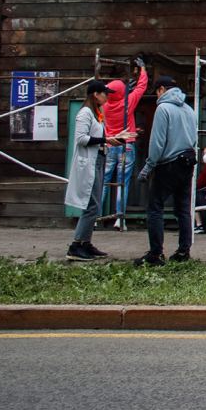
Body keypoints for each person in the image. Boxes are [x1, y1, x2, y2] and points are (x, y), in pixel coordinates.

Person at [134, 76, 198, 266]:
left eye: (156, 92)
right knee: (183, 209)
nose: (156, 96)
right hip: (187, 161)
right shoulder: (189, 109)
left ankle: (156, 253)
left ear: (161, 89)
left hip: (168, 163)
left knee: (155, 207)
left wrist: (148, 166)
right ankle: (183, 251)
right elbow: (194, 139)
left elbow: (157, 142)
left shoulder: (163, 109)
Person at [64, 80, 117, 261]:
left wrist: (111, 138)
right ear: (95, 94)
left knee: (95, 205)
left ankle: (86, 242)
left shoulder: (97, 113)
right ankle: (76, 244)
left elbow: (98, 137)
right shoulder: (85, 113)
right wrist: (105, 140)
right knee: (91, 205)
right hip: (89, 163)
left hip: (99, 159)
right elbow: (81, 138)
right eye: (104, 93)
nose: (107, 96)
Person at [101, 55, 148, 231]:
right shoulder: (128, 104)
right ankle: (119, 219)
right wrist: (143, 69)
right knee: (123, 182)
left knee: (105, 181)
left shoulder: (104, 107)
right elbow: (142, 86)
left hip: (110, 145)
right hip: (126, 145)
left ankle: (96, 215)